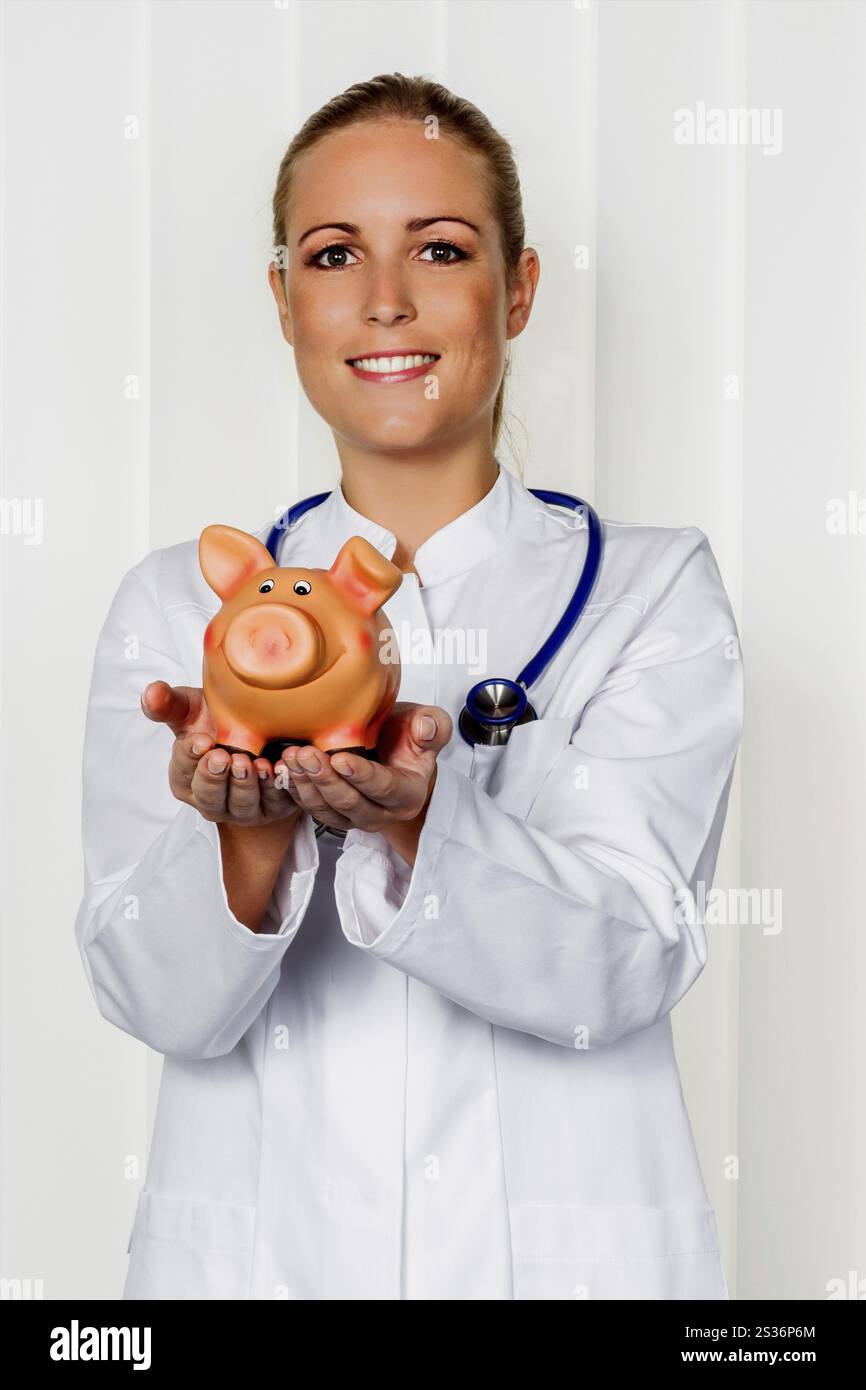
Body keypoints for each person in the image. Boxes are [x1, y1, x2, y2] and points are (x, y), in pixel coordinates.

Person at [74, 73, 744, 1301]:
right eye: (333, 255)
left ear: (520, 289)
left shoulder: (650, 592)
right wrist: (243, 841)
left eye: (439, 248)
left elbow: (631, 959)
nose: (385, 301)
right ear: (283, 301)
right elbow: (151, 996)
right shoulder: (182, 609)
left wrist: (417, 821)